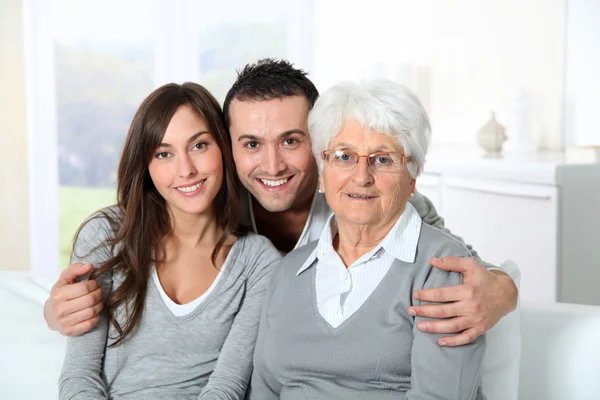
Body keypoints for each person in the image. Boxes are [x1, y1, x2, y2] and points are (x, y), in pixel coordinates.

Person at [45, 59, 518, 348]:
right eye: (250, 144)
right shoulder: (208, 216)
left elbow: (468, 267)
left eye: (290, 140)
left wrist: (502, 291)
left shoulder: (368, 202)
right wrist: (55, 312)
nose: (272, 165)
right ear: (228, 147)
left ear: (319, 140)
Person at [249, 79, 485, 399]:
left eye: (383, 159)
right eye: (344, 157)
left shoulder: (441, 270)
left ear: (413, 177)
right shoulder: (287, 272)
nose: (361, 177)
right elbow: (264, 391)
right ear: (323, 171)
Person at [58, 82, 281, 399]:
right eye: (164, 154)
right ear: (146, 167)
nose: (186, 170)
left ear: (223, 147)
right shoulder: (105, 236)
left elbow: (227, 387)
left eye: (199, 146)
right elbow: (79, 377)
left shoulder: (258, 262)